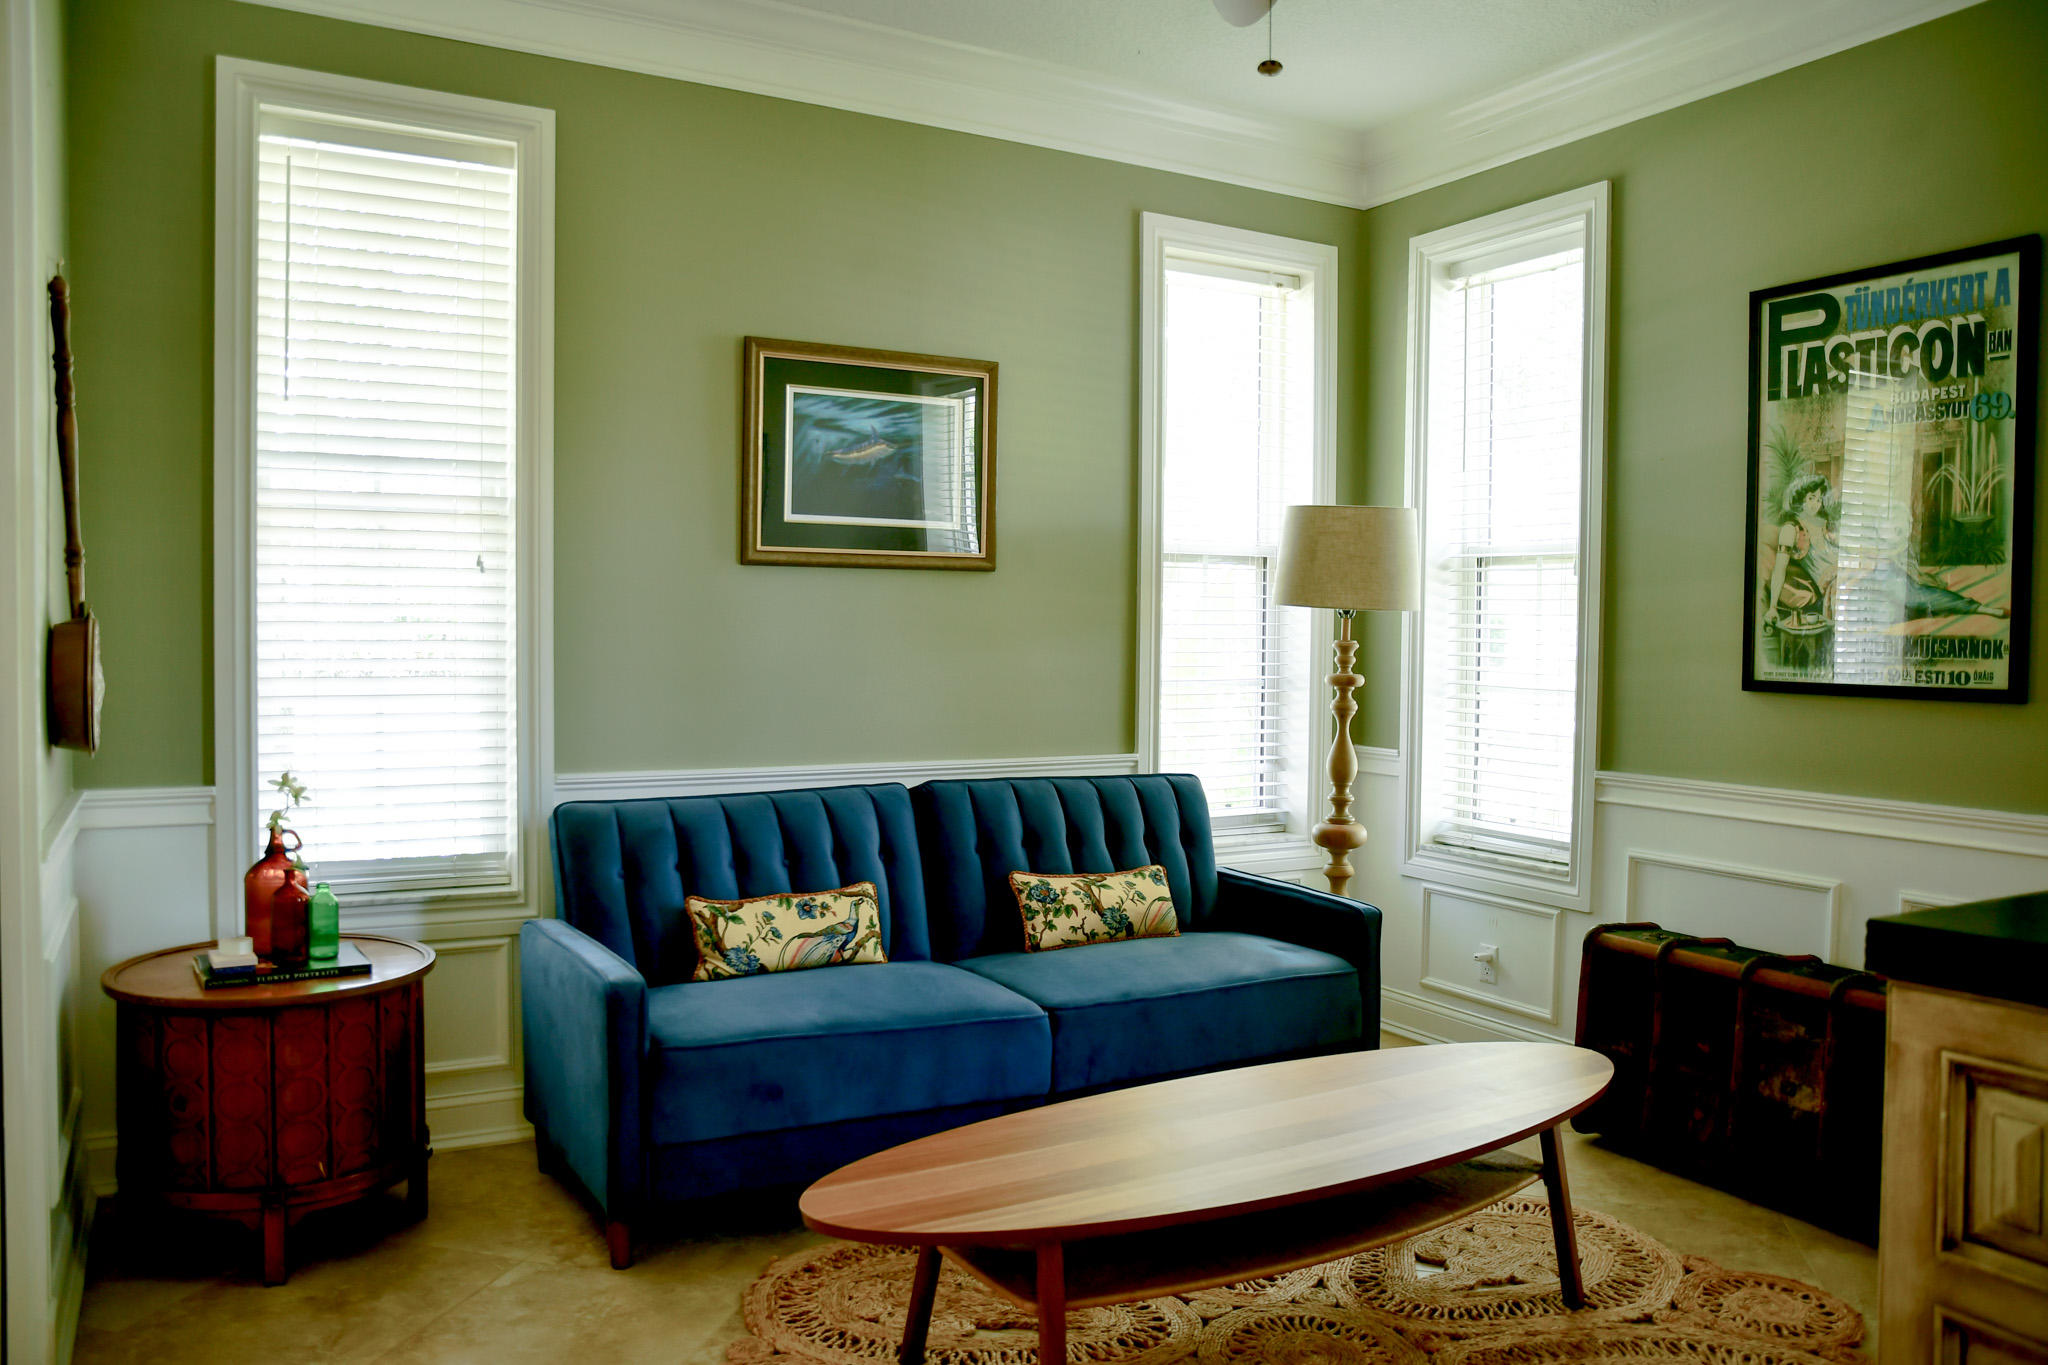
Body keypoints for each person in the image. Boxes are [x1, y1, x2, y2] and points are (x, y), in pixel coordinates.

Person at [1763, 474, 1836, 631]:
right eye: (1811, 498)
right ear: (1800, 498)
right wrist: (1772, 607)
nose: (1816, 504)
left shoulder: (1825, 524)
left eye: (1819, 499)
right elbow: (1779, 569)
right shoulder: (1792, 529)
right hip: (1830, 581)